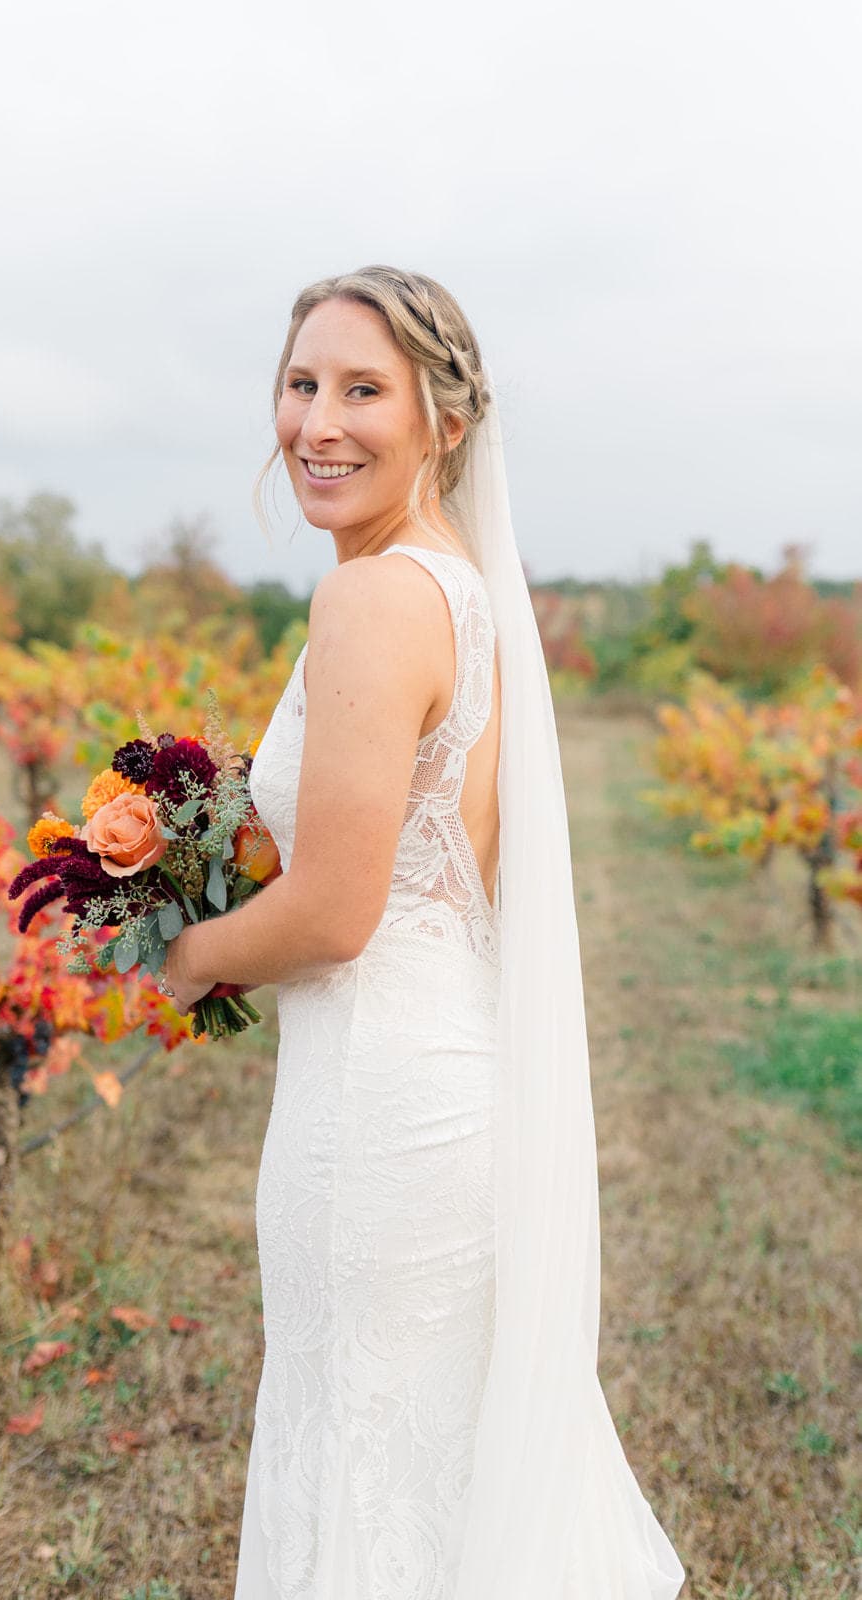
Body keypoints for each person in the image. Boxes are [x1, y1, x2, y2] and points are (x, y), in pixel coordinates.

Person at [162, 265, 686, 1599]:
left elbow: (337, 912)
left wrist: (180, 953)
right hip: (448, 1087)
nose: (317, 423)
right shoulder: (466, 589)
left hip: (378, 1116)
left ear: (443, 420)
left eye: (361, 389)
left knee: (368, 1479)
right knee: (435, 1478)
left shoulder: (376, 596)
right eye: (299, 384)